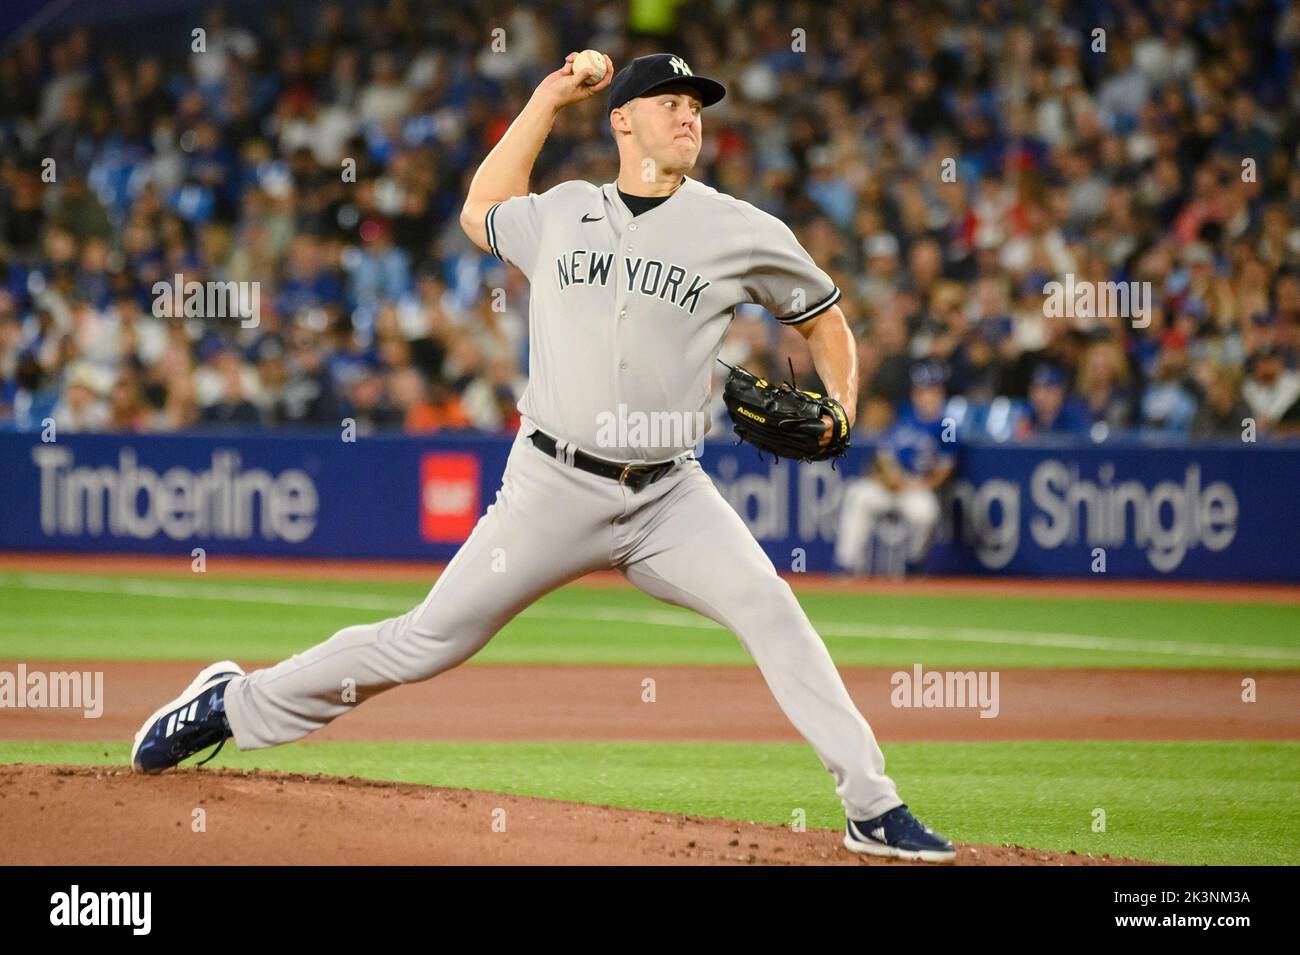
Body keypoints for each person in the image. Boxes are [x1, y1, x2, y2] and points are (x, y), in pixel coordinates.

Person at [130, 52, 956, 863]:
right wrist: (546, 98)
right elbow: (479, 206)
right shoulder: (562, 210)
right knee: (426, 641)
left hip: (671, 496)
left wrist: (842, 403)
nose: (689, 113)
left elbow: (825, 319)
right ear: (622, 119)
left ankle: (871, 806)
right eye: (669, 100)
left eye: (696, 104)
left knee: (774, 612)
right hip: (552, 485)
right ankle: (232, 703)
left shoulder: (739, 227)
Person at [835, 360, 956, 576]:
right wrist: (887, 477)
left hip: (916, 486)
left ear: (940, 393)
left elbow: (945, 469)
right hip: (888, 486)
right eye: (921, 391)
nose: (926, 396)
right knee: (858, 494)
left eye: (931, 390)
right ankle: (847, 565)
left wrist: (919, 484)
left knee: (926, 513)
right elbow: (882, 457)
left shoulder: (947, 425)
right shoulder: (903, 418)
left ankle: (913, 565)